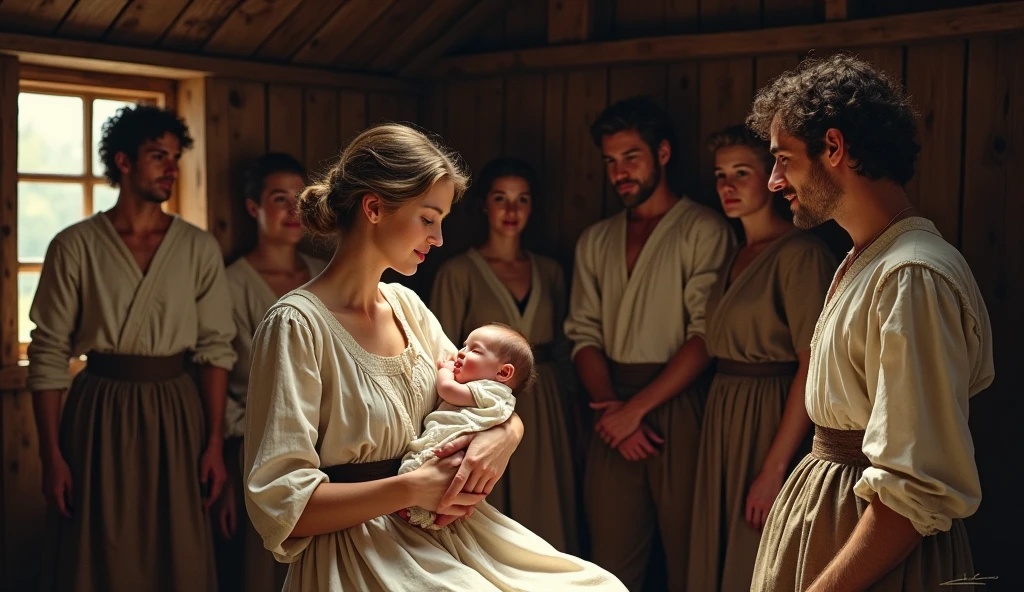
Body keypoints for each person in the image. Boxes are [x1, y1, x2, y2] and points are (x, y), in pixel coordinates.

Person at [241, 123, 627, 591]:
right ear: (374, 208)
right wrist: (412, 488)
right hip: (360, 552)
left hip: (446, 536)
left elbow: (490, 396)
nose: (439, 237)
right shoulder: (297, 326)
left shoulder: (407, 308)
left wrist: (503, 436)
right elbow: (281, 503)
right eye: (428, 218)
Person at [745, 53, 994, 591]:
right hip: (832, 528)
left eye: (783, 159)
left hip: (874, 561)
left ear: (833, 148)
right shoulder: (867, 258)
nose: (773, 181)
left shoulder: (912, 274)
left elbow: (915, 487)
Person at [29, 105, 235, 591]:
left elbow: (215, 350)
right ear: (123, 162)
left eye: (175, 158)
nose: (171, 168)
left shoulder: (197, 247)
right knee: (97, 546)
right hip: (99, 410)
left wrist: (213, 444)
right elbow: (48, 352)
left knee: (178, 546)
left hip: (176, 410)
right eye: (157, 156)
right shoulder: (74, 245)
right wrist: (51, 456)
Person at [564, 96, 735, 590]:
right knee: (610, 561)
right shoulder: (595, 240)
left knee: (690, 553)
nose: (620, 172)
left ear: (662, 153)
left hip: (678, 401)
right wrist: (613, 410)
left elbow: (705, 335)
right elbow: (583, 332)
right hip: (609, 403)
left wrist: (636, 409)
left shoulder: (704, 229)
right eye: (611, 162)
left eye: (631, 158)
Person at [687, 125, 836, 592]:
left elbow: (811, 365)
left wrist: (774, 470)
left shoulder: (800, 254)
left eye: (741, 173)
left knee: (755, 555)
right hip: (723, 415)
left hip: (770, 415)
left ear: (770, 178)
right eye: (720, 175)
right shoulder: (736, 254)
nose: (727, 186)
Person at [429, 156, 579, 553]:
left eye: (522, 200)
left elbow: (564, 347)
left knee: (544, 499)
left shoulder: (549, 271)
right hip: (478, 407)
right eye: (501, 198)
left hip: (544, 401)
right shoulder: (458, 272)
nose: (511, 211)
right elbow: (442, 351)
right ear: (484, 205)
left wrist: (569, 407)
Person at [213, 153, 327, 592]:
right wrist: (228, 467)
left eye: (301, 198)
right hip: (257, 451)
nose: (294, 209)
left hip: (328, 453)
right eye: (280, 198)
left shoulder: (324, 276)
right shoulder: (232, 283)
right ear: (253, 208)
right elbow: (220, 373)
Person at [399, 323, 536, 529]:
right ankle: (433, 517)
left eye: (475, 350)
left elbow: (447, 390)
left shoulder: (489, 390)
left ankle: (411, 507)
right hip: (464, 454)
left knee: (420, 465)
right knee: (457, 492)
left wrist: (445, 372)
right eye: (464, 346)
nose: (460, 354)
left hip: (449, 441)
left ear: (503, 372)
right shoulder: (500, 397)